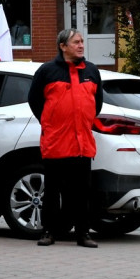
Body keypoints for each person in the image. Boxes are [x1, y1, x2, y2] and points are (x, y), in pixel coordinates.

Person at [28, 28, 103, 249]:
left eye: (82, 41)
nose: (81, 45)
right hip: (56, 142)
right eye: (76, 42)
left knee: (82, 192)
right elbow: (34, 100)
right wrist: (50, 123)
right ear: (63, 46)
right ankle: (49, 232)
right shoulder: (47, 71)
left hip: (82, 143)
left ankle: (83, 233)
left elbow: (97, 103)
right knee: (52, 191)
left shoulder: (91, 71)